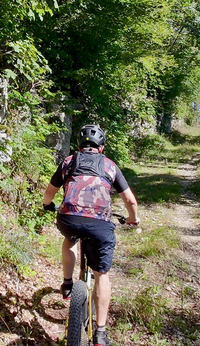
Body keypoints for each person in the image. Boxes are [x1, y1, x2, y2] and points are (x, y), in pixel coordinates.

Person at [42, 124, 139, 346]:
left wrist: (48, 206)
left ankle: (67, 284)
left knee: (69, 241)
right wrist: (133, 218)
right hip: (99, 226)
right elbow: (130, 200)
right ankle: (100, 332)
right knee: (101, 274)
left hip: (69, 220)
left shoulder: (68, 162)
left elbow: (49, 193)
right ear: (101, 148)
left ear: (78, 146)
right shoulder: (110, 166)